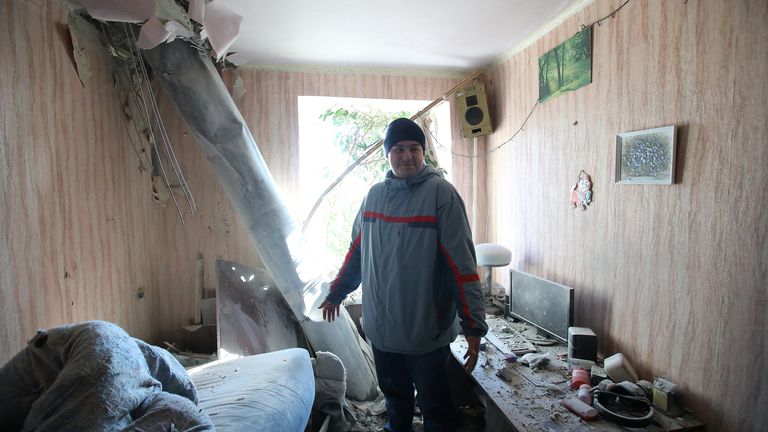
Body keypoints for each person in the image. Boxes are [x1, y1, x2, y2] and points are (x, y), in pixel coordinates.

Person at [319, 118, 487, 432]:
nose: (407, 156)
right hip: (383, 332)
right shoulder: (373, 197)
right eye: (398, 149)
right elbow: (357, 252)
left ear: (423, 153)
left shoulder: (441, 195)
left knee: (436, 406)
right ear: (387, 154)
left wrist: (473, 324)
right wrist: (337, 292)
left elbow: (461, 266)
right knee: (396, 403)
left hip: (425, 333)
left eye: (414, 148)